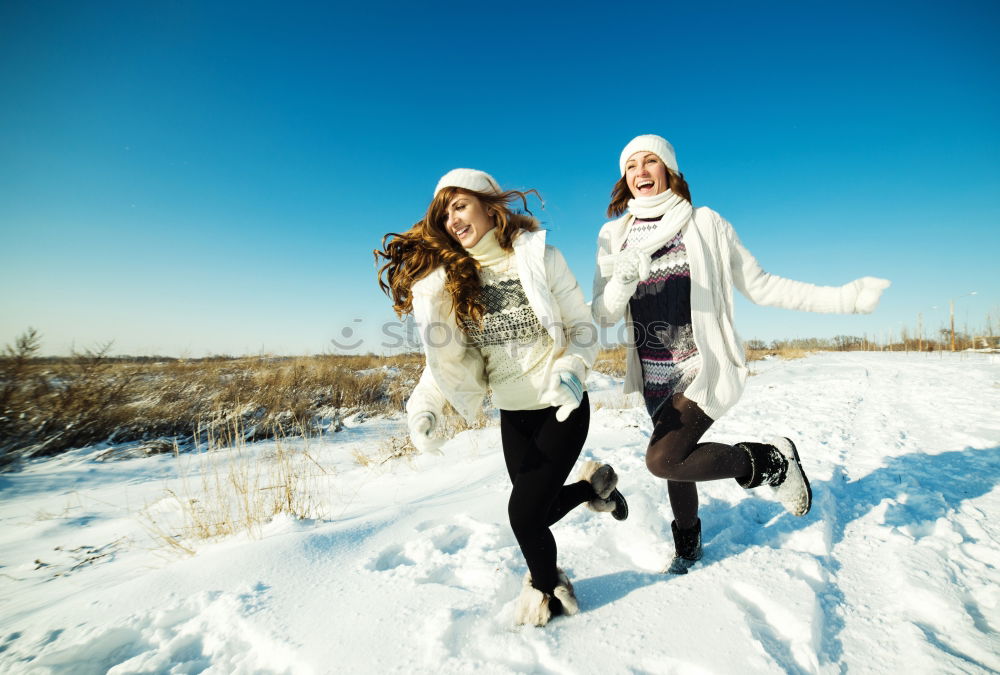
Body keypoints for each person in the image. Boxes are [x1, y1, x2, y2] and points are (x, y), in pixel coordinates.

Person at [591, 135, 890, 574]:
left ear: (669, 170)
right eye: (631, 165)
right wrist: (621, 283)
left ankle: (770, 462)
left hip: (701, 368)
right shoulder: (612, 236)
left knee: (663, 459)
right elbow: (602, 313)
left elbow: (763, 285)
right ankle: (688, 547)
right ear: (625, 180)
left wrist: (843, 300)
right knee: (676, 460)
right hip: (655, 376)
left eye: (650, 161)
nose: (640, 171)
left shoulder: (706, 224)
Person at [375, 169, 628, 626]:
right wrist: (425, 405)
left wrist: (572, 368)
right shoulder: (451, 279)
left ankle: (546, 589)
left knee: (524, 515)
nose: (451, 219)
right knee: (538, 510)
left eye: (460, 206)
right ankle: (593, 488)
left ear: (491, 207)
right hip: (513, 413)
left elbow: (582, 327)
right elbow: (448, 357)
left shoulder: (540, 257)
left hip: (561, 405)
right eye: (443, 213)